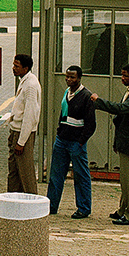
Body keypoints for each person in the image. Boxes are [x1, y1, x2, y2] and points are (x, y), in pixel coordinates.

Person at [92, 62, 129, 225]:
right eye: (122, 75)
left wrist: (99, 102)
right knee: (125, 180)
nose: (122, 78)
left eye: (126, 76)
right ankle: (122, 210)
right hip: (125, 141)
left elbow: (122, 109)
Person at [46, 64, 96, 218]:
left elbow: (91, 124)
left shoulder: (86, 96)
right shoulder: (67, 92)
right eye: (67, 76)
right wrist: (59, 132)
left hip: (76, 142)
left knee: (81, 175)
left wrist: (81, 142)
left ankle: (84, 208)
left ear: (79, 78)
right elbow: (63, 114)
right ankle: (51, 206)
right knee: (55, 175)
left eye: (72, 77)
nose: (68, 79)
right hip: (62, 139)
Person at [7, 53, 41, 194]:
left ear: (25, 68)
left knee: (25, 171)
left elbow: (30, 115)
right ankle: (12, 199)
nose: (13, 68)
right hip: (15, 131)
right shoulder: (24, 80)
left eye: (17, 66)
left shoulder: (31, 85)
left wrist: (21, 142)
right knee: (13, 170)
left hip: (23, 134)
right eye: (14, 65)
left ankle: (31, 200)